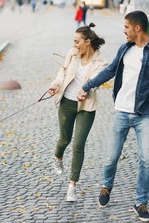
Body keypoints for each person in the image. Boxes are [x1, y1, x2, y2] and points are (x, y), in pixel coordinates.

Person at [81, 10, 149, 222]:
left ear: (137, 28)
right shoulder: (124, 49)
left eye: (126, 27)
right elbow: (110, 71)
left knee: (147, 159)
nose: (124, 31)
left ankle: (141, 202)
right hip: (121, 111)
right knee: (111, 157)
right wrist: (87, 86)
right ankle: (106, 187)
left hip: (144, 115)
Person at [48, 23, 107, 202]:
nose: (74, 45)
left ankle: (72, 185)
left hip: (86, 107)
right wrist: (56, 84)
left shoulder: (100, 62)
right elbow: (63, 71)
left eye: (77, 41)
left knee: (78, 145)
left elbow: (96, 82)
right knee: (64, 140)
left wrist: (87, 91)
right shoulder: (72, 54)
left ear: (87, 42)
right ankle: (58, 156)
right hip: (66, 103)